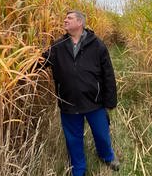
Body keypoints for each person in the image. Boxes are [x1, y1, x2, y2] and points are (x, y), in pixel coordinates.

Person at [41, 10, 120, 176]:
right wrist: (20, 70)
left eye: (69, 18)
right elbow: (41, 62)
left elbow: (108, 74)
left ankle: (107, 156)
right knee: (73, 139)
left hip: (94, 101)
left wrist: (110, 100)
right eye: (65, 17)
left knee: (101, 133)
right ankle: (79, 169)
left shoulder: (97, 44)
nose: (65, 20)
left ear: (80, 23)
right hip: (69, 102)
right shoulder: (58, 46)